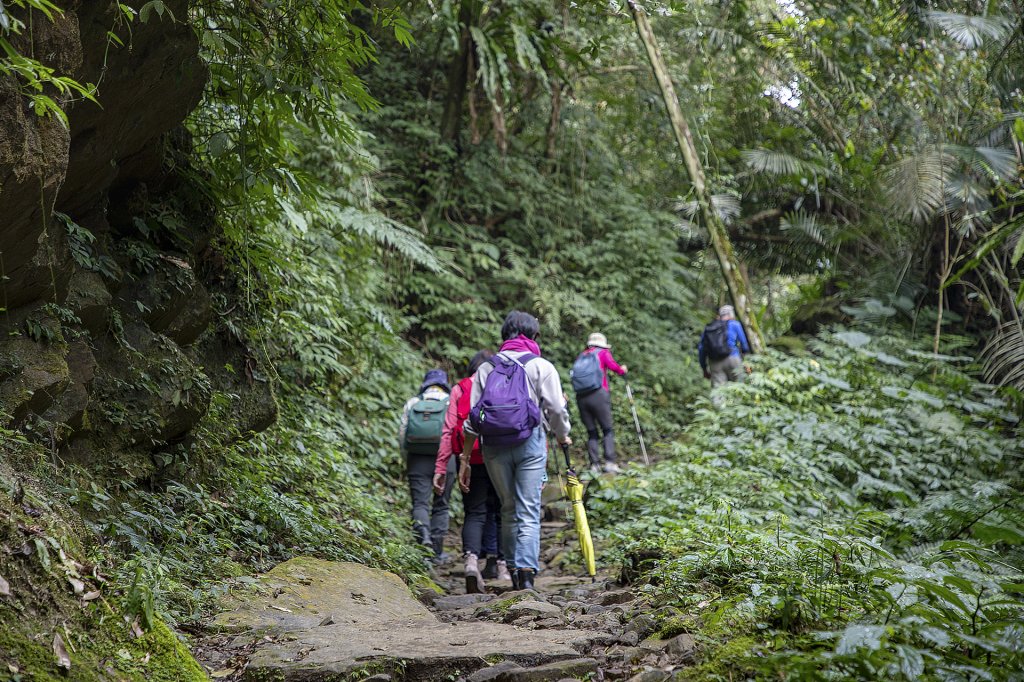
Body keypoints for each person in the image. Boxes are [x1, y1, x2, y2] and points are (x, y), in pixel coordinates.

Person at [460, 311, 572, 591]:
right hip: (530, 443)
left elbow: (473, 419)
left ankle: (510, 566)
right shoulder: (541, 366)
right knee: (528, 509)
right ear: (533, 336)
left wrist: (465, 457)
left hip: (494, 447)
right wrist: (562, 436)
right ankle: (525, 573)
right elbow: (556, 408)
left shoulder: (486, 369)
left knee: (508, 508)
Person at [433, 350, 512, 593]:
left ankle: (470, 563)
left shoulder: (459, 388)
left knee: (474, 512)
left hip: (470, 455)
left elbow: (448, 431)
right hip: (499, 454)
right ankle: (502, 566)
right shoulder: (504, 383)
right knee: (501, 512)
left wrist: (441, 466)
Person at [398, 369, 454, 561]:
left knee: (420, 502)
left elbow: (402, 433)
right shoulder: (451, 401)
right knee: (441, 504)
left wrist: (406, 456)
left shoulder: (413, 403)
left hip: (417, 458)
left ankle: (423, 538)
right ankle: (437, 551)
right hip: (446, 459)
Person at [571, 332, 627, 474]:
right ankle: (610, 463)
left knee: (592, 432)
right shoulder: (603, 353)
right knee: (607, 429)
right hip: (598, 395)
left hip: (581, 397)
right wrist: (622, 370)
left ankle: (594, 465)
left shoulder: (582, 355)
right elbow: (614, 367)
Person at [698, 305, 751, 387]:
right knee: (739, 388)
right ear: (731, 314)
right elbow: (744, 344)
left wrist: (704, 368)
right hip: (733, 358)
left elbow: (701, 349)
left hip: (714, 362)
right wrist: (746, 360)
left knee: (718, 392)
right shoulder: (734, 324)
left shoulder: (710, 327)